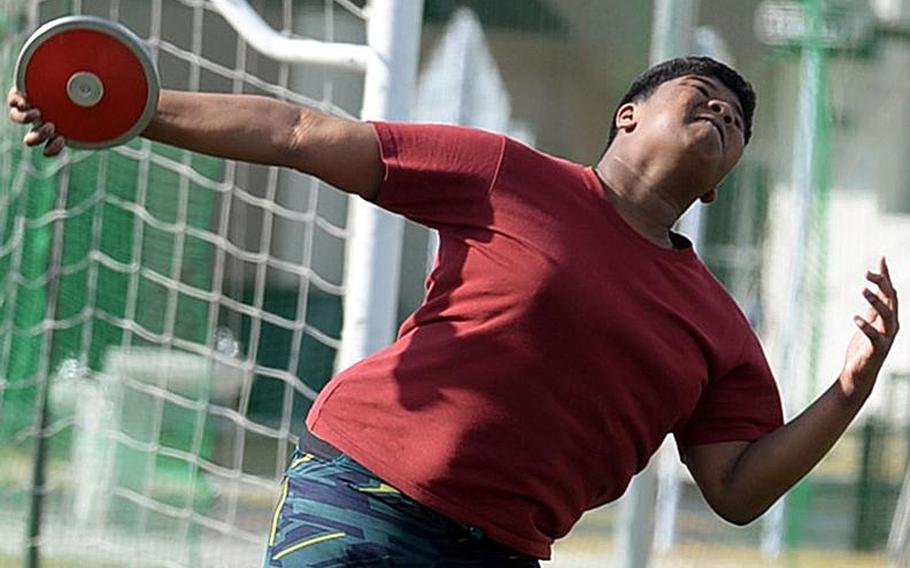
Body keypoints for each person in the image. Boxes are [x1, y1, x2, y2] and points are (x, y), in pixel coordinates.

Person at [8, 56, 899, 567]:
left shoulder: (719, 326)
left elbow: (738, 492)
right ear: (627, 117)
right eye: (698, 94)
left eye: (737, 122)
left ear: (722, 186)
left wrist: (850, 390)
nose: (721, 111)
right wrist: (130, 110)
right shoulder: (508, 175)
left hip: (501, 554)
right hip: (361, 499)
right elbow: (298, 134)